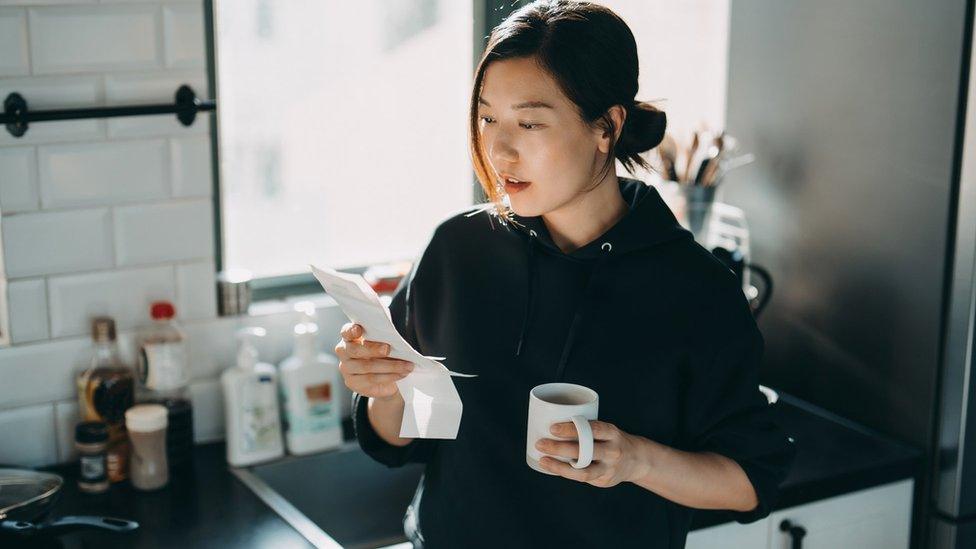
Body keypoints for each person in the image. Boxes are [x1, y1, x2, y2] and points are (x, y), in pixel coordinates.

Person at [334, 1, 796, 547]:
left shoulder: (694, 288)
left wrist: (636, 460)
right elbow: (402, 439)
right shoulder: (458, 251)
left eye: (529, 122)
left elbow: (750, 482)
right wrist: (382, 388)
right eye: (488, 118)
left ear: (607, 126)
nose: (500, 150)